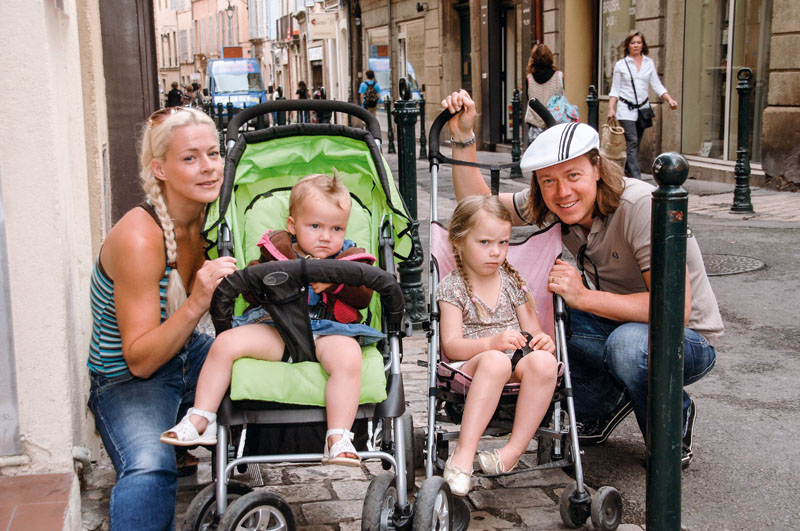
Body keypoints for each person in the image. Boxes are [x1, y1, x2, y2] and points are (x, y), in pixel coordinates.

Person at [440, 90, 723, 469]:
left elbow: (677, 310)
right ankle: (602, 405)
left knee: (625, 347)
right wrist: (463, 136)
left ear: (597, 169)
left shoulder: (641, 207)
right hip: (612, 323)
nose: (562, 192)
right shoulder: (554, 200)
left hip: (682, 337)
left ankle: (672, 421)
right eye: (548, 181)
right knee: (549, 325)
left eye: (573, 176)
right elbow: (477, 208)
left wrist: (582, 297)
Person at [161, 174, 384, 467]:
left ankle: (338, 437)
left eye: (336, 228)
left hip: (330, 331)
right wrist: (276, 279)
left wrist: (336, 282)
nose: (326, 236)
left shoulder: (350, 259)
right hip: (277, 327)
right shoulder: (276, 250)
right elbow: (252, 290)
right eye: (315, 226)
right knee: (225, 343)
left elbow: (364, 297)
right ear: (292, 226)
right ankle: (202, 417)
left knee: (349, 357)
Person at [86, 106, 238, 529]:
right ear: (160, 169)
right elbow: (140, 360)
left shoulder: (215, 218)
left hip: (187, 354)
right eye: (190, 158)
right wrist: (197, 300)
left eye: (213, 153)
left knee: (280, 376)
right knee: (150, 466)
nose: (208, 168)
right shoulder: (140, 236)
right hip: (126, 378)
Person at [437, 195, 558, 496]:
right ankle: (463, 455)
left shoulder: (513, 283)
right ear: (459, 241)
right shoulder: (453, 287)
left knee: (544, 363)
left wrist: (543, 342)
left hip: (515, 363)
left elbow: (533, 333)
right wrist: (491, 343)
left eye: (503, 243)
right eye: (485, 243)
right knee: (496, 360)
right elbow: (452, 346)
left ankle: (511, 453)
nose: (496, 252)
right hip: (473, 365)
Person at [608, 31, 679, 179]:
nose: (636, 45)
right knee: (632, 142)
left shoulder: (648, 63)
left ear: (643, 45)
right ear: (627, 45)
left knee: (635, 144)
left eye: (638, 43)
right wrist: (611, 108)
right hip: (625, 109)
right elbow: (615, 89)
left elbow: (656, 85)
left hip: (643, 109)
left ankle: (628, 168)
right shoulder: (621, 65)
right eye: (633, 43)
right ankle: (636, 177)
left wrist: (669, 99)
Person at [524, 43, 564, 143]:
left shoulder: (529, 78)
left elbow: (528, 99)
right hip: (554, 123)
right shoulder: (559, 76)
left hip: (535, 125)